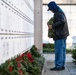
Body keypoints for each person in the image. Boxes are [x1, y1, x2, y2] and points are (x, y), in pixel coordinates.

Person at [47, 1, 69, 71]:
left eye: (50, 9)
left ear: (53, 7)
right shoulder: (59, 11)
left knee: (59, 51)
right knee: (62, 51)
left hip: (60, 35)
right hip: (62, 34)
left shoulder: (59, 12)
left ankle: (58, 66)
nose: (50, 10)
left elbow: (62, 21)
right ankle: (61, 65)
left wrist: (52, 26)